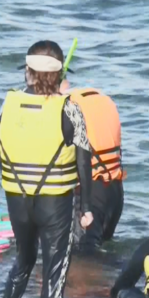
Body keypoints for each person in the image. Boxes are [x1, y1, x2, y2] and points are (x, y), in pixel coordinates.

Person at [0, 40, 94, 298]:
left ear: (28, 72)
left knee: (24, 260)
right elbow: (84, 159)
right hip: (54, 202)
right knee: (54, 271)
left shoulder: (9, 104)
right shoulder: (69, 108)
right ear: (61, 76)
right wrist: (86, 208)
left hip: (17, 198)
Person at [60, 77, 125, 253]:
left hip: (88, 194)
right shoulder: (102, 99)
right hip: (114, 191)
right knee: (101, 250)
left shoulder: (64, 106)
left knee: (84, 261)